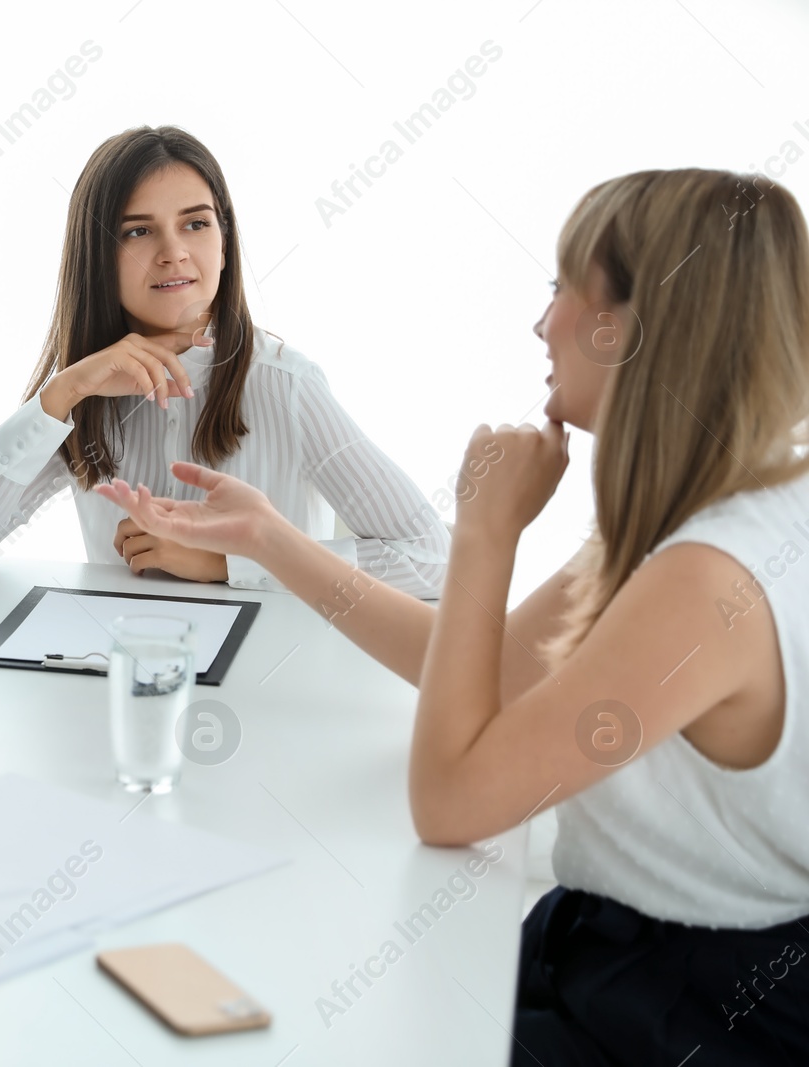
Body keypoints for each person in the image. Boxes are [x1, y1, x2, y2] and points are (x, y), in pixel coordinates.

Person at [98, 168, 809, 1063]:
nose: (541, 322)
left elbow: (449, 803)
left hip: (691, 1008)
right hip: (626, 953)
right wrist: (272, 539)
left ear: (631, 326)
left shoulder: (705, 579)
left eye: (560, 289)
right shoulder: (714, 505)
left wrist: (485, 532)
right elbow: (488, 665)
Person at [0, 125, 449, 596]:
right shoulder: (85, 397)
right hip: (113, 679)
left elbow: (431, 557)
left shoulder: (287, 385)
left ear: (224, 241)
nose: (173, 251)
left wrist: (228, 563)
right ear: (97, 256)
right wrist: (60, 394)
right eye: (138, 231)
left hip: (263, 689)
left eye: (195, 224)